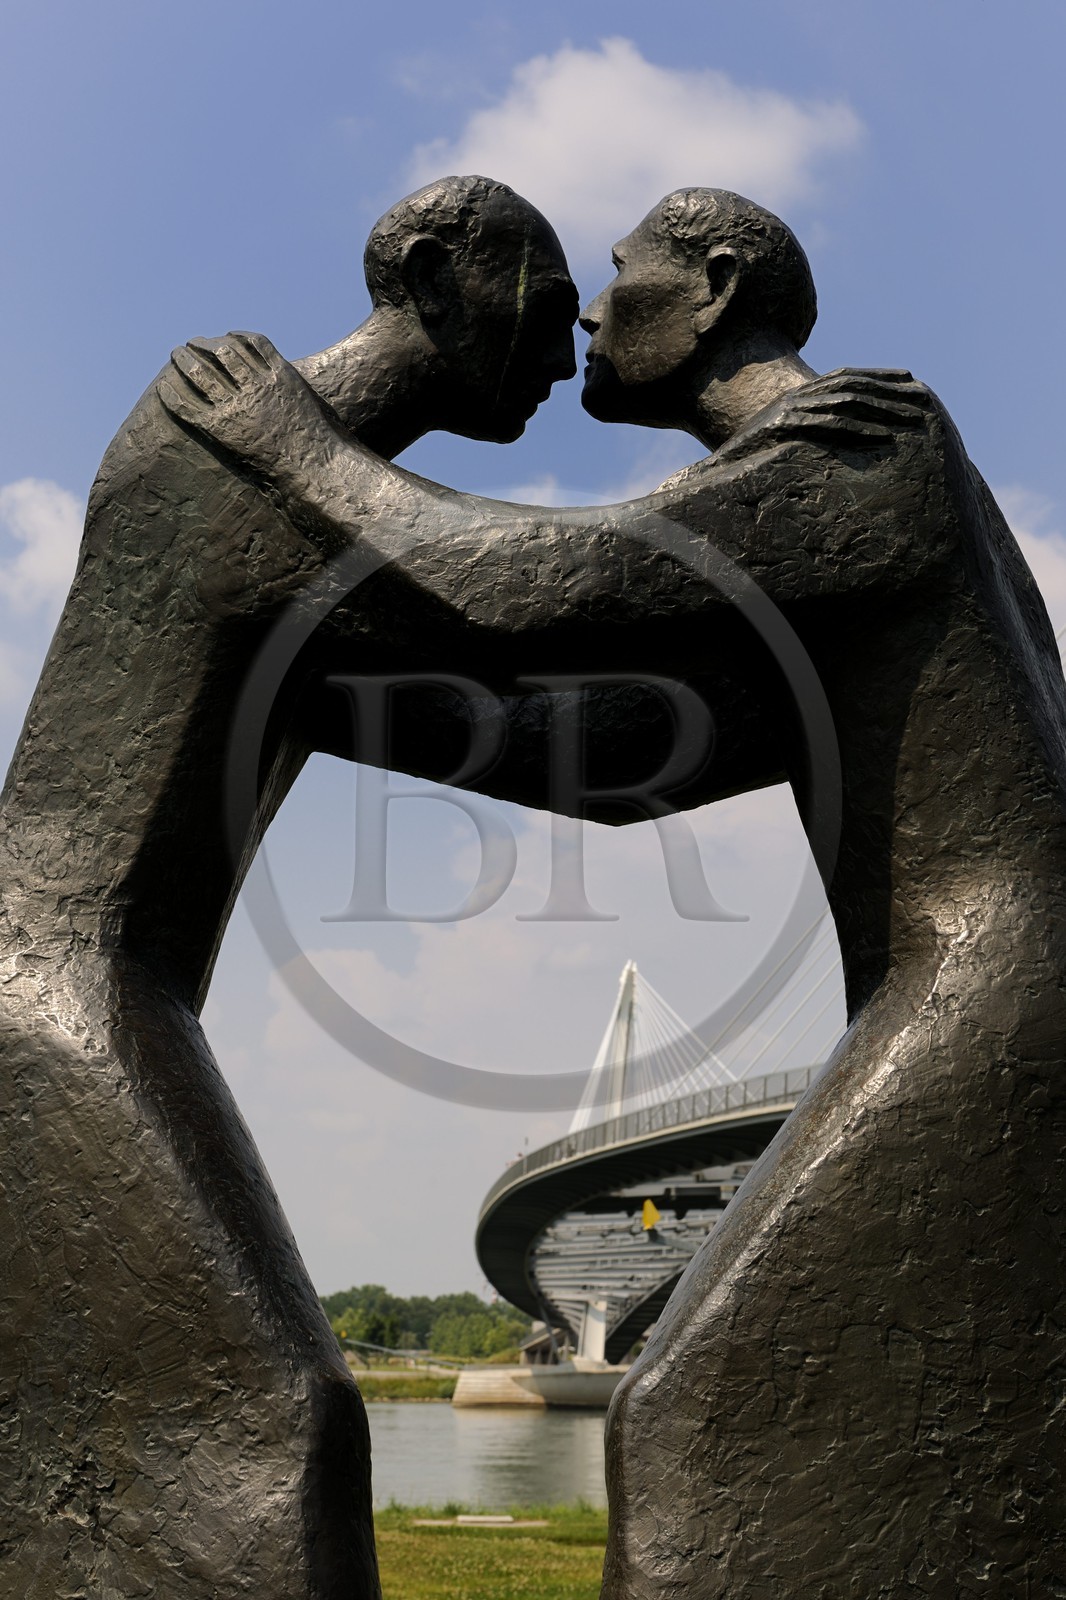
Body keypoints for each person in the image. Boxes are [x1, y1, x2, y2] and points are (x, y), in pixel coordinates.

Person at [165, 189, 1066, 1596]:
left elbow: (530, 591)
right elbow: (605, 760)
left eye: (622, 270)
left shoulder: (852, 457)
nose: (587, 305)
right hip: (979, 983)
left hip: (994, 994)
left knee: (715, 1419)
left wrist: (288, 449)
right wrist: (294, 690)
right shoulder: (824, 505)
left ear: (708, 287)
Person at [0, 176, 576, 1599]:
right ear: (440, 276)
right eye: (549, 313)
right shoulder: (230, 452)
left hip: (93, 988)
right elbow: (525, 624)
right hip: (47, 992)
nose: (567, 360)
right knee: (269, 1419)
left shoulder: (263, 459)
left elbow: (495, 711)